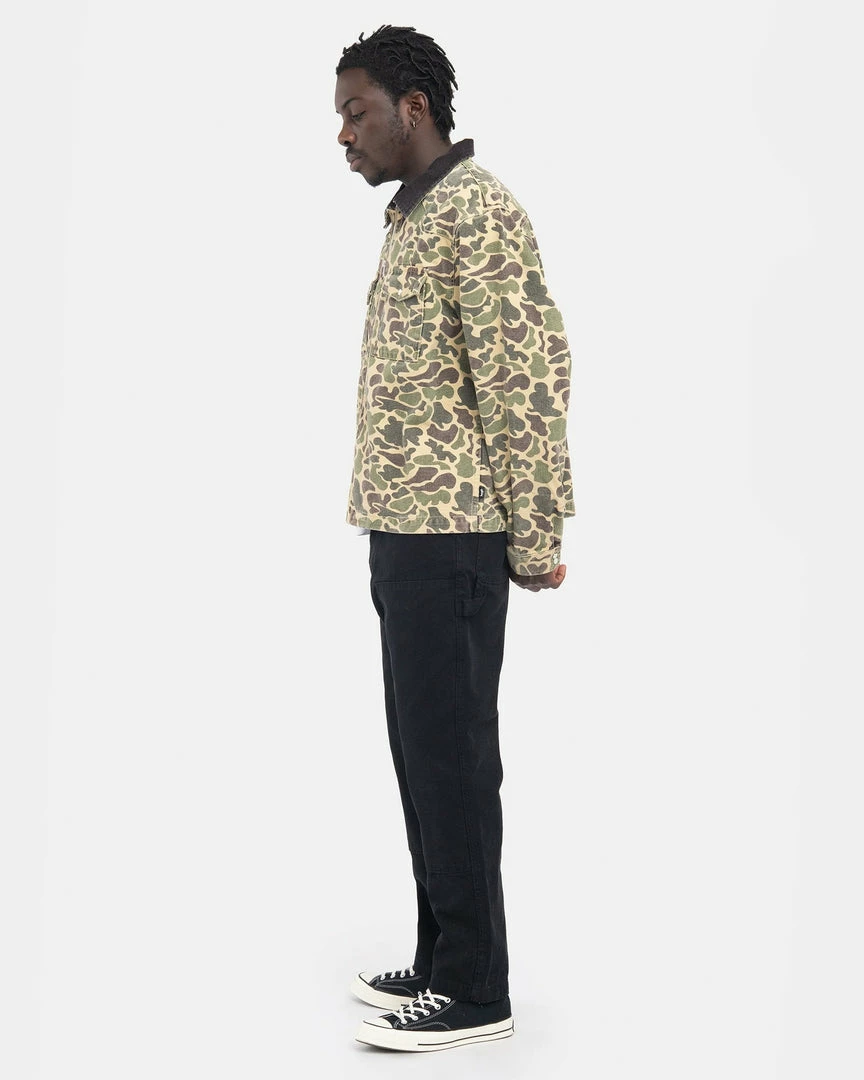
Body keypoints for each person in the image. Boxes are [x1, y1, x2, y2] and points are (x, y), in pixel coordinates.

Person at [334, 25, 575, 1053]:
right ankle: (443, 958)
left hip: (456, 537)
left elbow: (525, 380)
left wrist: (536, 531)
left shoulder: (477, 210)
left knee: (456, 760)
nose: (343, 133)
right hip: (404, 534)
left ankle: (478, 991)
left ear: (414, 107)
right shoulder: (415, 215)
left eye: (357, 112)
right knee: (421, 754)